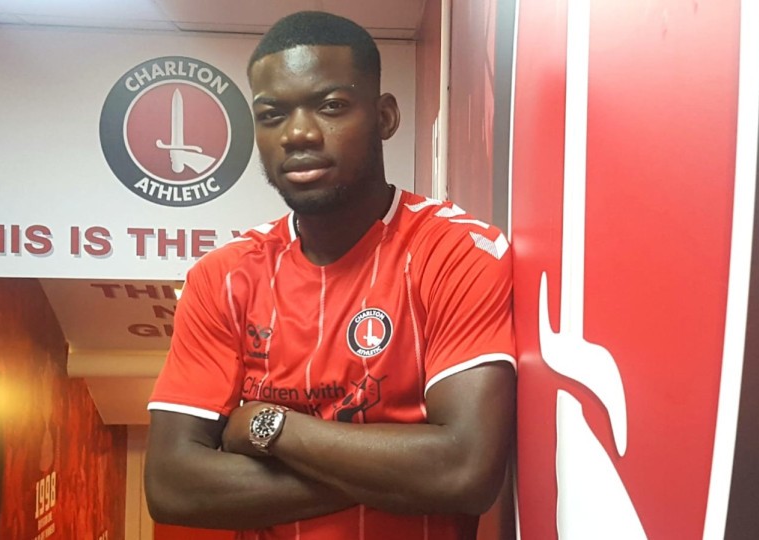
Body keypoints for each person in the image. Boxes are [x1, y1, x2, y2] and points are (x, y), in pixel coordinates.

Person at [144, 11, 516, 540]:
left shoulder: (455, 252)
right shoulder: (222, 277)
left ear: (384, 117)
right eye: (272, 115)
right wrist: (401, 468)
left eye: (331, 106)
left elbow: (464, 471)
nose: (298, 133)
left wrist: (269, 428)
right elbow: (172, 487)